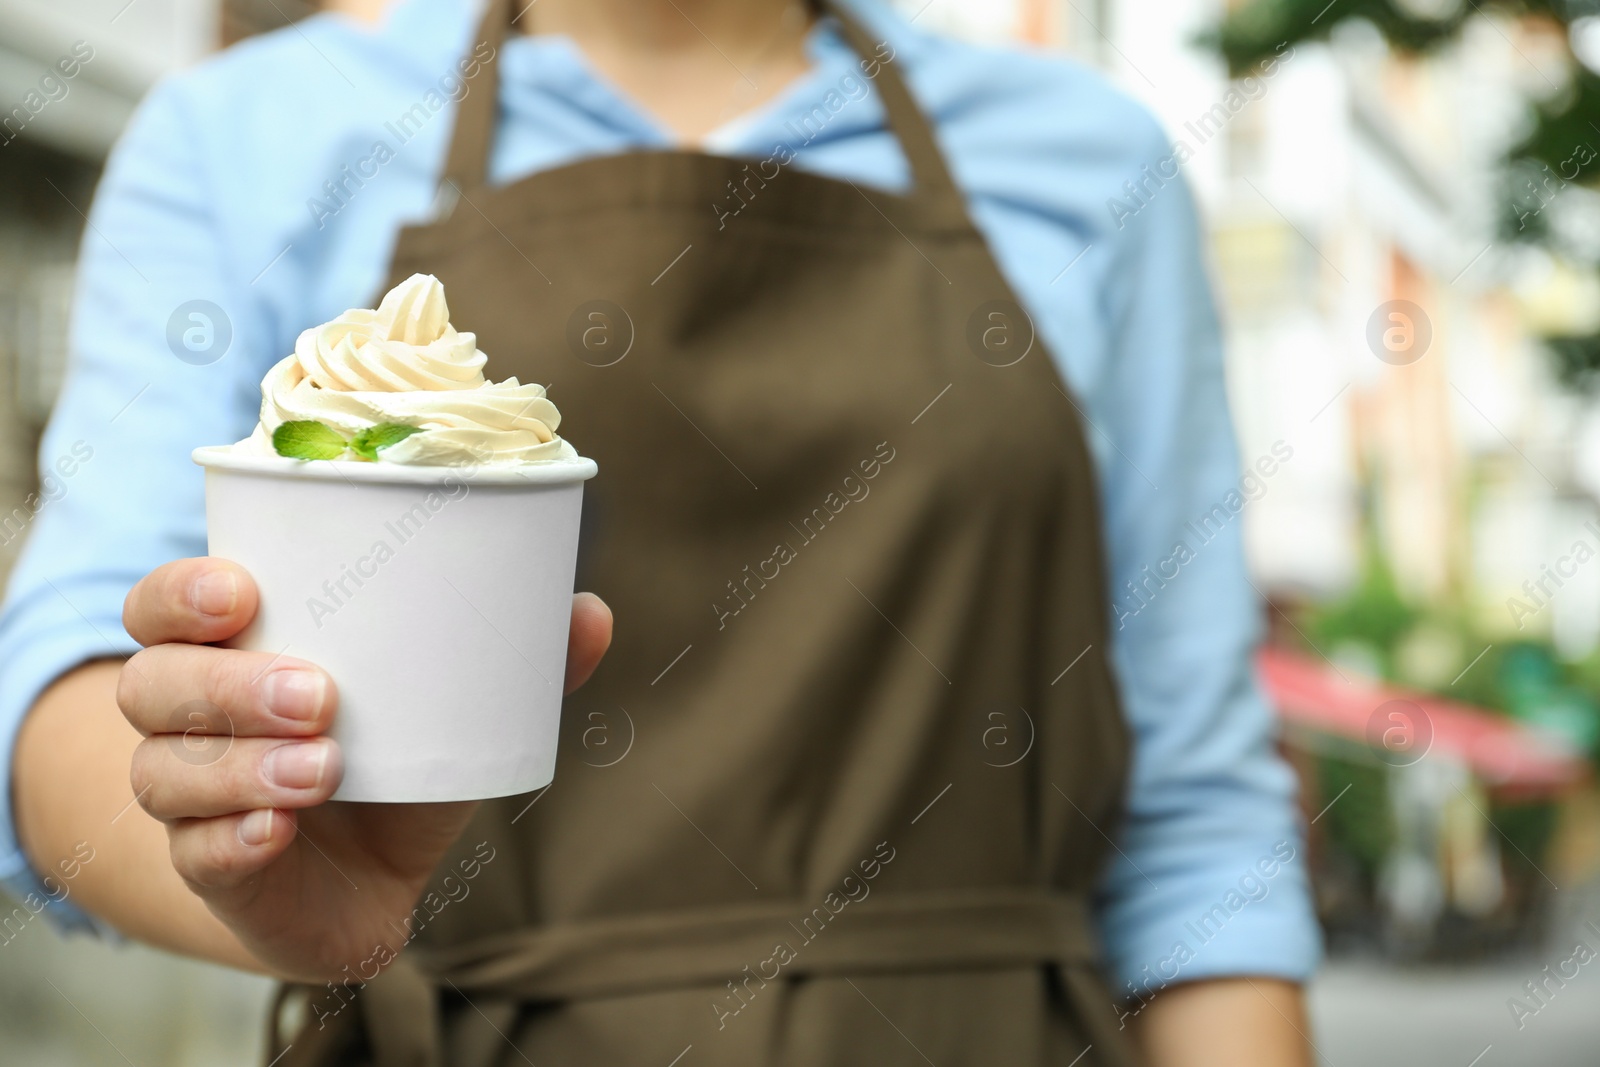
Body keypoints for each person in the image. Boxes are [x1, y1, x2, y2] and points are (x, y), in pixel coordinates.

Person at [2, 0, 1320, 1063]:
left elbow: (1196, 832)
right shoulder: (251, 139)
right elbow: (61, 689)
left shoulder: (1089, 161)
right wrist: (266, 879)